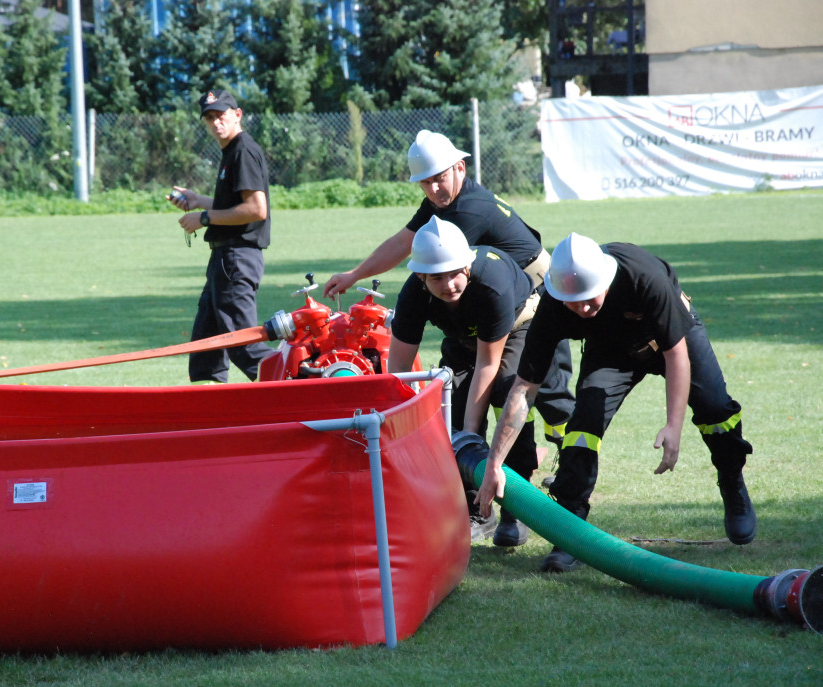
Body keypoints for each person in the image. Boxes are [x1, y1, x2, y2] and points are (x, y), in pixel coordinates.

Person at [475, 233, 757, 572]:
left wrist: (673, 425)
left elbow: (676, 354)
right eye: (572, 302)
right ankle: (569, 532)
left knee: (715, 409)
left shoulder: (643, 277)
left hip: (670, 338)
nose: (582, 308)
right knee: (582, 428)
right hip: (610, 352)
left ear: (606, 279)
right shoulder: (552, 303)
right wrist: (494, 463)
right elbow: (523, 388)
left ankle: (732, 482)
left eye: (589, 299)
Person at [323, 129, 573, 448]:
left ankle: (558, 466)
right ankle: (513, 458)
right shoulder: (443, 204)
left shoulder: (467, 212)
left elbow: (439, 274)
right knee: (497, 386)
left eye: (439, 178)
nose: (433, 188)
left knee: (545, 396)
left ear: (460, 168)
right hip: (500, 298)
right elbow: (404, 241)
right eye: (425, 182)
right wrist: (355, 274)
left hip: (539, 300)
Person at [387, 216, 575, 547]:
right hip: (462, 340)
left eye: (455, 273)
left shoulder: (491, 282)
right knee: (448, 407)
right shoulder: (413, 295)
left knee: (505, 393)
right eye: (436, 278)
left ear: (468, 265)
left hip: (518, 326)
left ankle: (515, 507)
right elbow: (400, 369)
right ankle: (475, 508)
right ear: (419, 276)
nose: (448, 284)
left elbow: (488, 364)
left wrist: (472, 437)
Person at [168, 89, 274, 383]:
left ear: (237, 115)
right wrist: (198, 200)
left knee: (242, 344)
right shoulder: (231, 152)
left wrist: (203, 218)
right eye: (210, 118)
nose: (216, 123)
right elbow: (234, 207)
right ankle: (210, 412)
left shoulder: (243, 151)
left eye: (221, 115)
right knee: (206, 347)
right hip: (224, 258)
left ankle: (304, 387)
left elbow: (256, 209)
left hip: (237, 257)